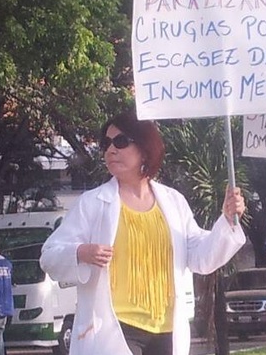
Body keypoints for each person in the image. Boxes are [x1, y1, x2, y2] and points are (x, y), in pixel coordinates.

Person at [39, 111, 246, 355]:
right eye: (106, 144)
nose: (111, 150)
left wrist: (227, 220)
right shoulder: (93, 203)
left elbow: (202, 258)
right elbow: (49, 255)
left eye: (121, 142)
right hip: (116, 329)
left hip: (166, 331)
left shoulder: (173, 202)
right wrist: (81, 252)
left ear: (146, 149)